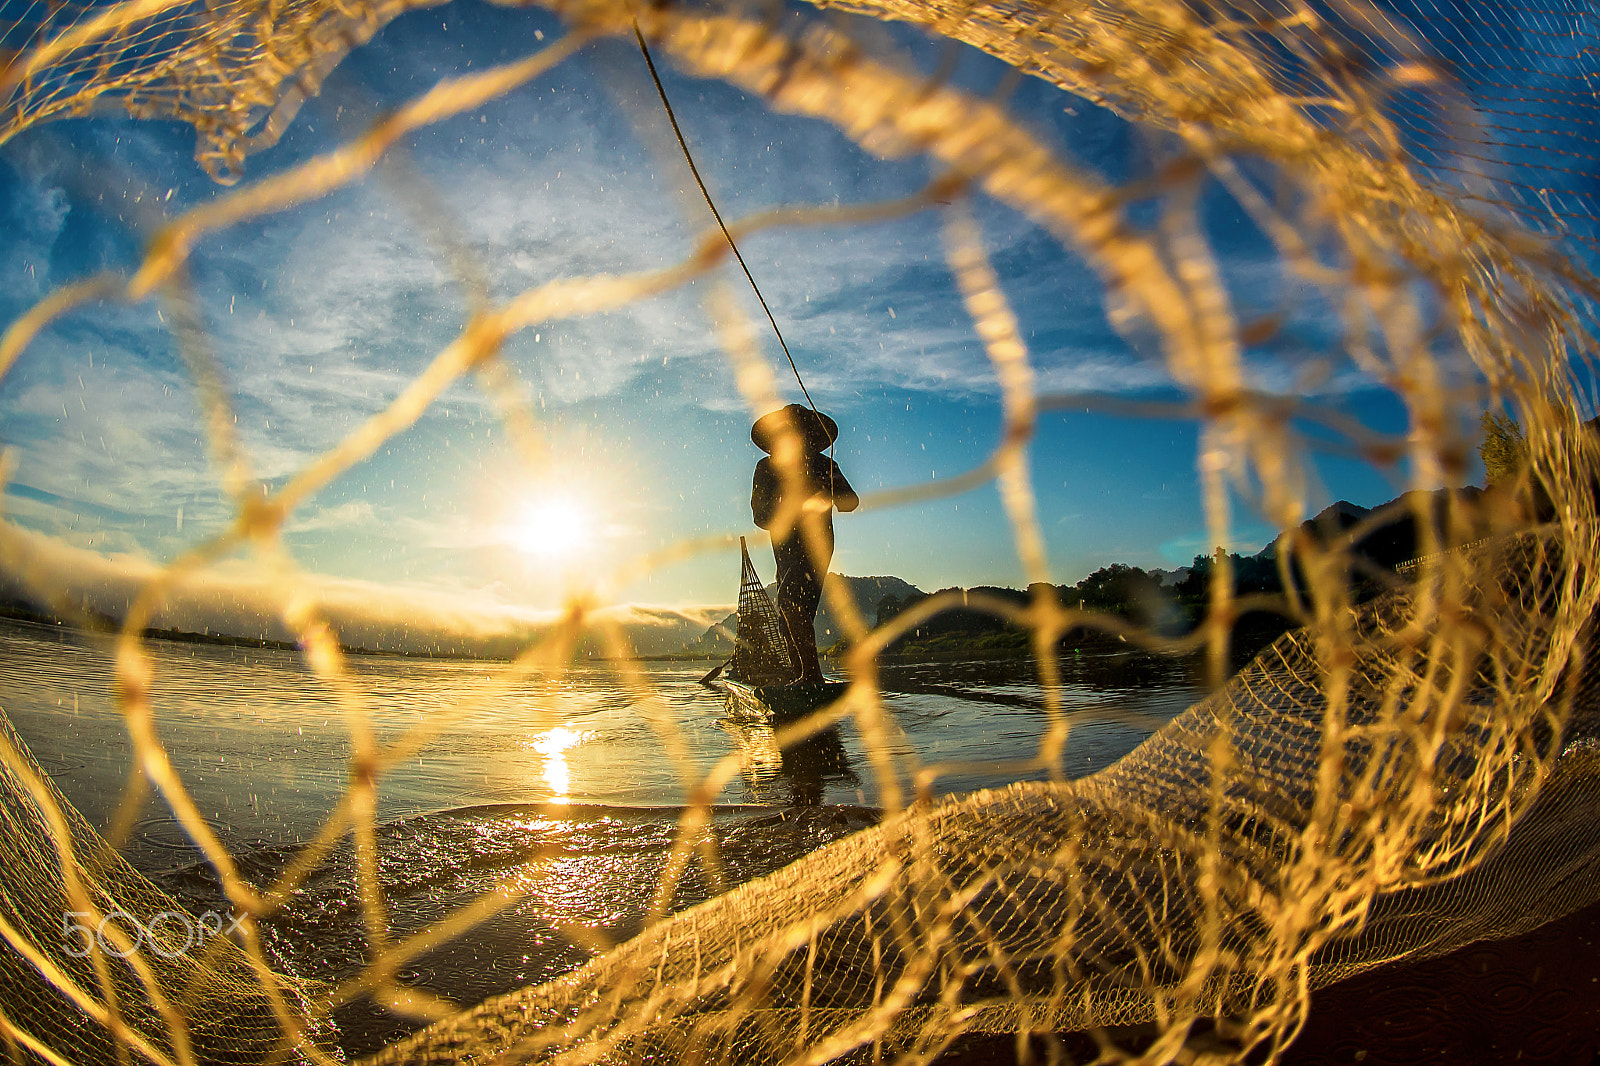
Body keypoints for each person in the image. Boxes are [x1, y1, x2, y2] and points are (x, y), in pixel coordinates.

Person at [749, 404, 858, 684]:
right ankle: (801, 676)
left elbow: (850, 502)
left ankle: (812, 675)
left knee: (789, 599)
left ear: (809, 436)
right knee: (789, 614)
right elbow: (761, 517)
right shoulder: (766, 468)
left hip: (817, 545)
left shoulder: (824, 464)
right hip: (784, 551)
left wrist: (825, 487)